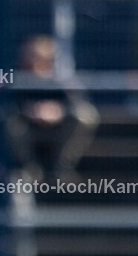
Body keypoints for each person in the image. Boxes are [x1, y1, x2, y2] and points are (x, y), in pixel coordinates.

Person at [7, 35, 99, 186]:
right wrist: (28, 111)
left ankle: (60, 169)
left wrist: (58, 111)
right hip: (28, 130)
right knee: (10, 123)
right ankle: (30, 170)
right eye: (29, 58)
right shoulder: (15, 78)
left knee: (85, 115)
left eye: (38, 58)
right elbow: (8, 106)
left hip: (58, 131)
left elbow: (79, 104)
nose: (32, 63)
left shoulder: (63, 80)